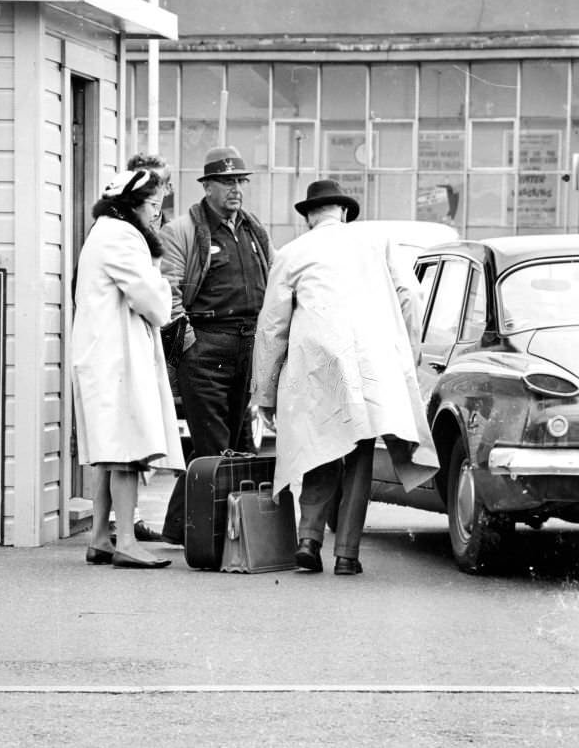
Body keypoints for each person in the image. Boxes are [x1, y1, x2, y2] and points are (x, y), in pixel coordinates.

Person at [250, 179, 439, 575]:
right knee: (359, 455)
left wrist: (264, 391)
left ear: (308, 218)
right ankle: (347, 554)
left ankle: (308, 539)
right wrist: (406, 353)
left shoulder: (291, 253)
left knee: (320, 444)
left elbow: (272, 328)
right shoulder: (377, 243)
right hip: (370, 362)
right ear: (345, 213)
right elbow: (411, 296)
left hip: (317, 362)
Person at [158, 146, 274, 545]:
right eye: (227, 182)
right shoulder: (181, 231)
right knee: (215, 445)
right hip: (205, 346)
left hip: (246, 344)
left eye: (241, 181)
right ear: (207, 186)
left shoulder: (254, 230)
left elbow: (270, 283)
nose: (236, 189)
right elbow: (167, 292)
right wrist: (185, 350)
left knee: (231, 444)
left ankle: (178, 528)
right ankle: (218, 535)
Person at [71, 168, 185, 568]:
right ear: (134, 205)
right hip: (116, 359)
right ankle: (126, 543)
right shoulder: (122, 237)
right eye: (155, 205)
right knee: (125, 449)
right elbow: (154, 302)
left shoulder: (102, 232)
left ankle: (101, 537)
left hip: (107, 354)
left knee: (109, 452)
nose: (157, 214)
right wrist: (163, 287)